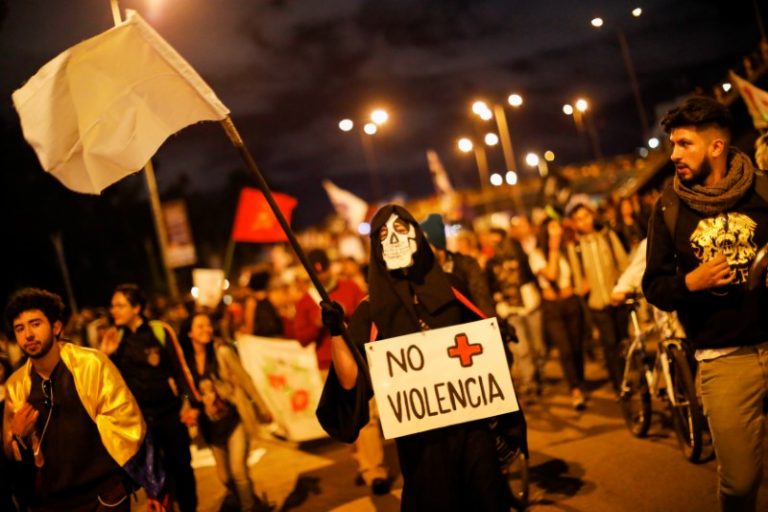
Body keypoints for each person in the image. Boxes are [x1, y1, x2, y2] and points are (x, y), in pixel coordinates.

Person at [317, 204, 520, 511]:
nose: (393, 239)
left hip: (473, 433)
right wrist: (336, 331)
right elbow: (349, 381)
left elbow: (489, 352)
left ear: (418, 236)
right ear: (376, 249)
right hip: (422, 446)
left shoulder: (453, 290)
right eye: (383, 234)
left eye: (400, 229)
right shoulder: (372, 311)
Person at [643, 96, 768, 512]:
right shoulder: (669, 207)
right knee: (740, 483)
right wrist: (690, 282)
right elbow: (654, 287)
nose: (674, 155)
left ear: (716, 146)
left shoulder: (763, 189)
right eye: (673, 144)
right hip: (723, 360)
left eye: (684, 144)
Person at [2, 288, 165, 511]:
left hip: (105, 497)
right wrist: (18, 437)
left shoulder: (91, 364)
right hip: (54, 503)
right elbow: (11, 455)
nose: (28, 334)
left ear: (56, 327)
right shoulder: (16, 386)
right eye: (19, 328)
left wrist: (154, 484)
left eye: (35, 324)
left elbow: (129, 423)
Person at [293, 249, 390, 495]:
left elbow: (369, 311)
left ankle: (375, 470)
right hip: (327, 366)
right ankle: (362, 462)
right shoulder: (304, 301)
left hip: (357, 358)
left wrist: (347, 314)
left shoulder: (349, 287)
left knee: (367, 416)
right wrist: (317, 325)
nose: (322, 276)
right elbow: (301, 338)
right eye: (317, 273)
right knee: (346, 416)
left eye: (324, 271)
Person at [101, 284, 197, 512]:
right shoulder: (116, 339)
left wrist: (190, 403)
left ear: (136, 308)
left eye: (120, 306)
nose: (114, 311)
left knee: (182, 469)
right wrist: (106, 354)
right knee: (155, 477)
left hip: (170, 415)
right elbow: (108, 382)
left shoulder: (160, 331)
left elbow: (180, 370)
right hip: (140, 422)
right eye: (113, 306)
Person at [179, 312, 273, 512]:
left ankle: (249, 508)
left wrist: (262, 406)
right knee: (225, 477)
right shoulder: (186, 362)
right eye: (200, 326)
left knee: (239, 472)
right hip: (211, 428)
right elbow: (186, 391)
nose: (207, 329)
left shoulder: (222, 352)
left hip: (234, 419)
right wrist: (188, 409)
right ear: (189, 333)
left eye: (208, 325)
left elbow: (244, 379)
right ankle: (252, 501)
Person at [566, 196, 629, 392]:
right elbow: (577, 279)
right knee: (609, 344)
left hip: (617, 298)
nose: (583, 222)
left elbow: (624, 264)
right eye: (578, 219)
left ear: (592, 216)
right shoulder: (575, 247)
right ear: (574, 224)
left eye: (585, 217)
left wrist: (624, 286)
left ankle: (630, 377)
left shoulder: (608, 237)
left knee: (623, 341)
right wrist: (581, 286)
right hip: (596, 304)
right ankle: (619, 385)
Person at [529, 217, 587, 410]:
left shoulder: (567, 249)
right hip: (552, 307)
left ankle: (580, 381)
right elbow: (551, 274)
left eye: (558, 227)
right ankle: (575, 389)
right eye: (552, 228)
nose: (557, 231)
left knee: (577, 346)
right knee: (565, 349)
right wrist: (553, 249)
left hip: (570, 302)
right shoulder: (537, 255)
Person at [485, 227, 545, 401]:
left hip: (530, 304)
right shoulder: (491, 265)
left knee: (538, 347)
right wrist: (497, 297)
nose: (496, 245)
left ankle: (539, 376)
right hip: (511, 310)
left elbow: (531, 276)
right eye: (492, 242)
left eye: (498, 241)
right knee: (523, 349)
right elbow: (490, 286)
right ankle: (530, 383)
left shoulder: (520, 257)